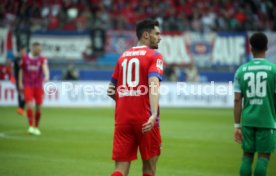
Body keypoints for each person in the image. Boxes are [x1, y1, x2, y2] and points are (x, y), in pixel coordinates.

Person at [107, 19, 163, 176]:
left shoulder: (123, 56)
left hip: (123, 120)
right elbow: (153, 84)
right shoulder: (154, 55)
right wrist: (153, 114)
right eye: (157, 34)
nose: (160, 37)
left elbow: (111, 90)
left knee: (120, 169)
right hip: (145, 119)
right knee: (149, 168)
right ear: (146, 35)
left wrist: (127, 99)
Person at [233, 32, 276, 176]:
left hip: (248, 121)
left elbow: (237, 100)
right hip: (267, 121)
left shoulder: (241, 70)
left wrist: (237, 125)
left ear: (251, 48)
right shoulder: (274, 70)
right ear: (267, 47)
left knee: (247, 157)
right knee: (263, 158)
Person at [19, 42, 49, 136]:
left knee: (39, 107)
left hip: (38, 85)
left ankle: (36, 126)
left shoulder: (42, 59)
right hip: (28, 85)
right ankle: (31, 126)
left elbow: (45, 67)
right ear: (33, 48)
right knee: (29, 104)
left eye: (40, 49)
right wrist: (20, 82)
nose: (39, 50)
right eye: (38, 49)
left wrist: (47, 75)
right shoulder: (25, 58)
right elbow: (21, 70)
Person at [14, 47, 26, 116]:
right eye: (22, 51)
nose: (23, 53)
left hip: (26, 80)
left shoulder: (26, 59)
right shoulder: (17, 60)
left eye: (24, 51)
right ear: (20, 52)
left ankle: (20, 109)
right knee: (20, 94)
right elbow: (16, 70)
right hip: (18, 79)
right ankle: (20, 109)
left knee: (25, 95)